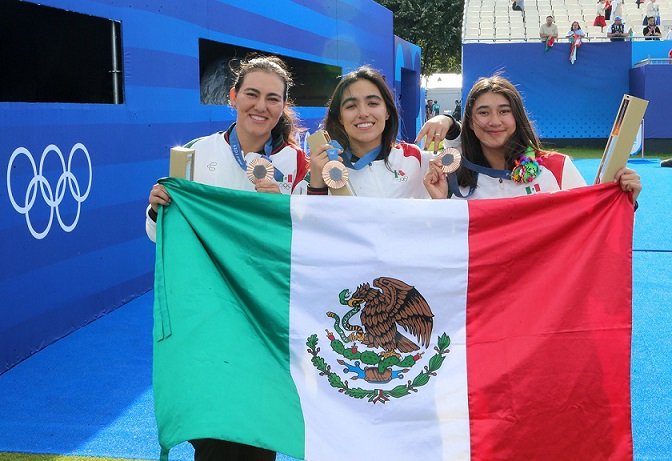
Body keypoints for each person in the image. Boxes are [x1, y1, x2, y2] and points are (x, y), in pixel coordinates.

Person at [145, 54, 309, 461]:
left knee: (257, 424)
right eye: (251, 94)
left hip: (266, 311)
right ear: (232, 97)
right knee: (215, 425)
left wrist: (281, 211)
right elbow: (158, 235)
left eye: (273, 98)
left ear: (283, 106)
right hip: (211, 310)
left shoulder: (297, 162)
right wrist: (157, 208)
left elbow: (309, 242)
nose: (261, 105)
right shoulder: (195, 155)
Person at [423, 75, 641, 204]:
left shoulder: (557, 168)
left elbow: (593, 225)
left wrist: (624, 200)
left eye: (504, 111)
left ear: (517, 117)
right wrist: (441, 204)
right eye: (483, 112)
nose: (494, 121)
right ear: (470, 122)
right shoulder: (452, 177)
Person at [304, 66, 460, 198]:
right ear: (340, 117)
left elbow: (471, 167)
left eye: (372, 103)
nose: (363, 113)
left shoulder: (415, 159)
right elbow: (303, 226)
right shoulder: (326, 167)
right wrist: (317, 186)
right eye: (351, 106)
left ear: (387, 112)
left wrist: (450, 124)